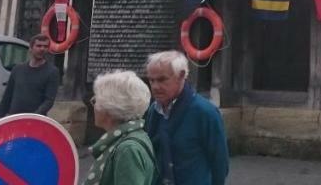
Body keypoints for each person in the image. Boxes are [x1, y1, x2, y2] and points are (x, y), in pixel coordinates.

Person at [143, 51, 228, 185]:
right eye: (151, 80)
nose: (155, 86)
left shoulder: (205, 113)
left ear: (181, 75)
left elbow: (220, 163)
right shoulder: (153, 111)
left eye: (162, 79)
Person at [87, 71, 157, 185]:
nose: (93, 106)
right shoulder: (134, 137)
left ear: (110, 107)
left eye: (96, 101)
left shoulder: (127, 149)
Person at [0, 34, 59, 117]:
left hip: (35, 120)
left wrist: (34, 116)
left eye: (45, 46)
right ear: (31, 48)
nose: (42, 49)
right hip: (14, 117)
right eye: (39, 46)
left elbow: (49, 100)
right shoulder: (17, 69)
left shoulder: (52, 71)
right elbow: (7, 97)